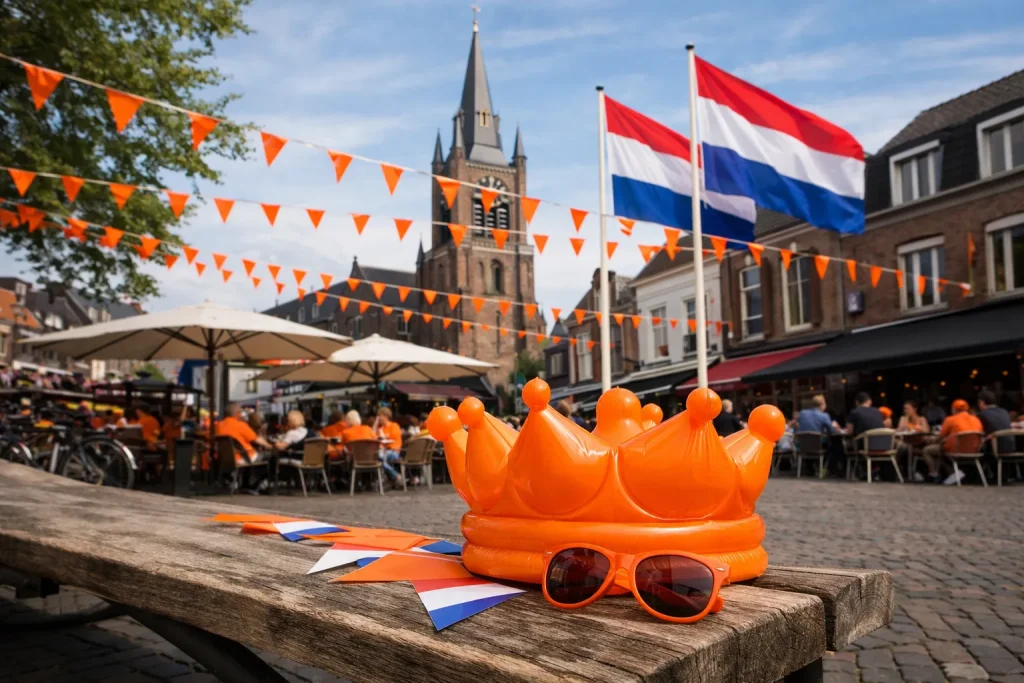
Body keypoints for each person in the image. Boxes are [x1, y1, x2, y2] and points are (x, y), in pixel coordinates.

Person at [921, 399, 983, 485]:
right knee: (941, 450)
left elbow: (940, 437)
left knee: (927, 450)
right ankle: (953, 474)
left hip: (955, 450)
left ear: (954, 409)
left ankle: (934, 475)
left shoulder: (950, 419)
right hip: (974, 451)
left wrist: (931, 440)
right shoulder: (976, 419)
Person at [373, 407, 403, 483]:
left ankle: (391, 477)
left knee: (379, 458)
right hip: (383, 451)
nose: (378, 418)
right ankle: (396, 476)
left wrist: (384, 437)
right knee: (379, 458)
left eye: (379, 416)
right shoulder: (380, 428)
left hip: (394, 451)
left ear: (386, 416)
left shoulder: (394, 426)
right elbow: (372, 436)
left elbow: (392, 438)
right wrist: (375, 424)